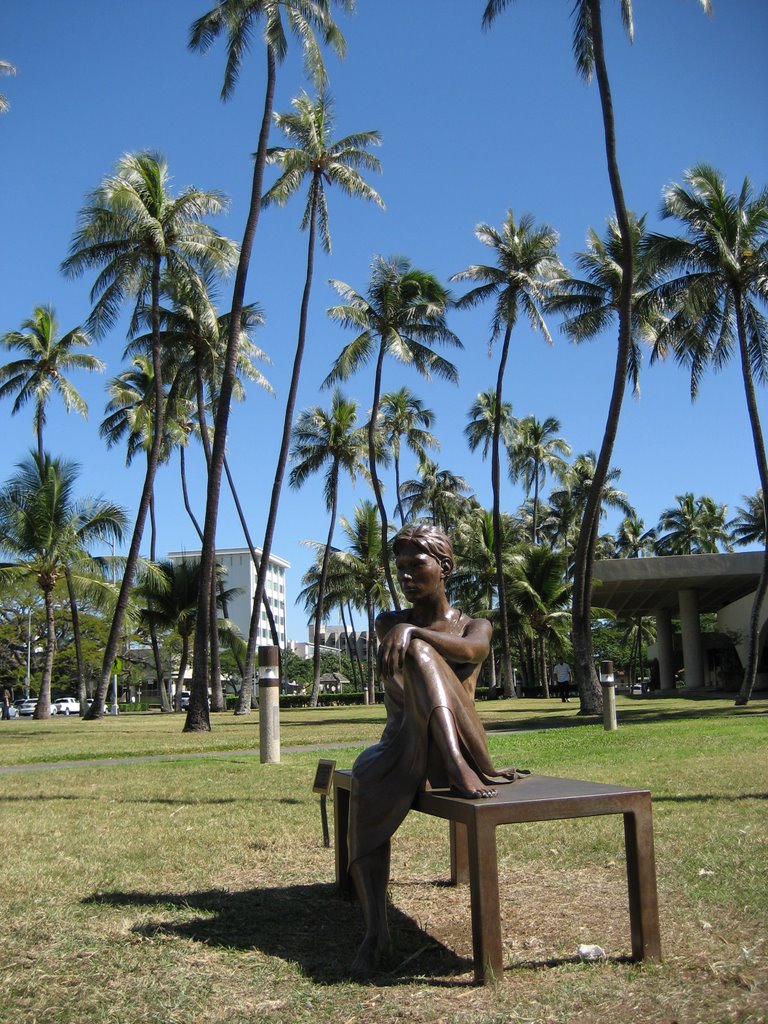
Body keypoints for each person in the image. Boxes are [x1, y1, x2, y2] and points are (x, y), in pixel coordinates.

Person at [347, 524, 529, 976]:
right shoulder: (390, 624)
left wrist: (417, 634)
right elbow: (407, 642)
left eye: (417, 564)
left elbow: (473, 649)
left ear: (444, 567)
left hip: (463, 747)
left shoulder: (474, 624)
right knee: (365, 777)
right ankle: (376, 930)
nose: (406, 575)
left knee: (422, 651)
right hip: (403, 745)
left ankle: (460, 764)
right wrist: (410, 631)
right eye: (401, 567)